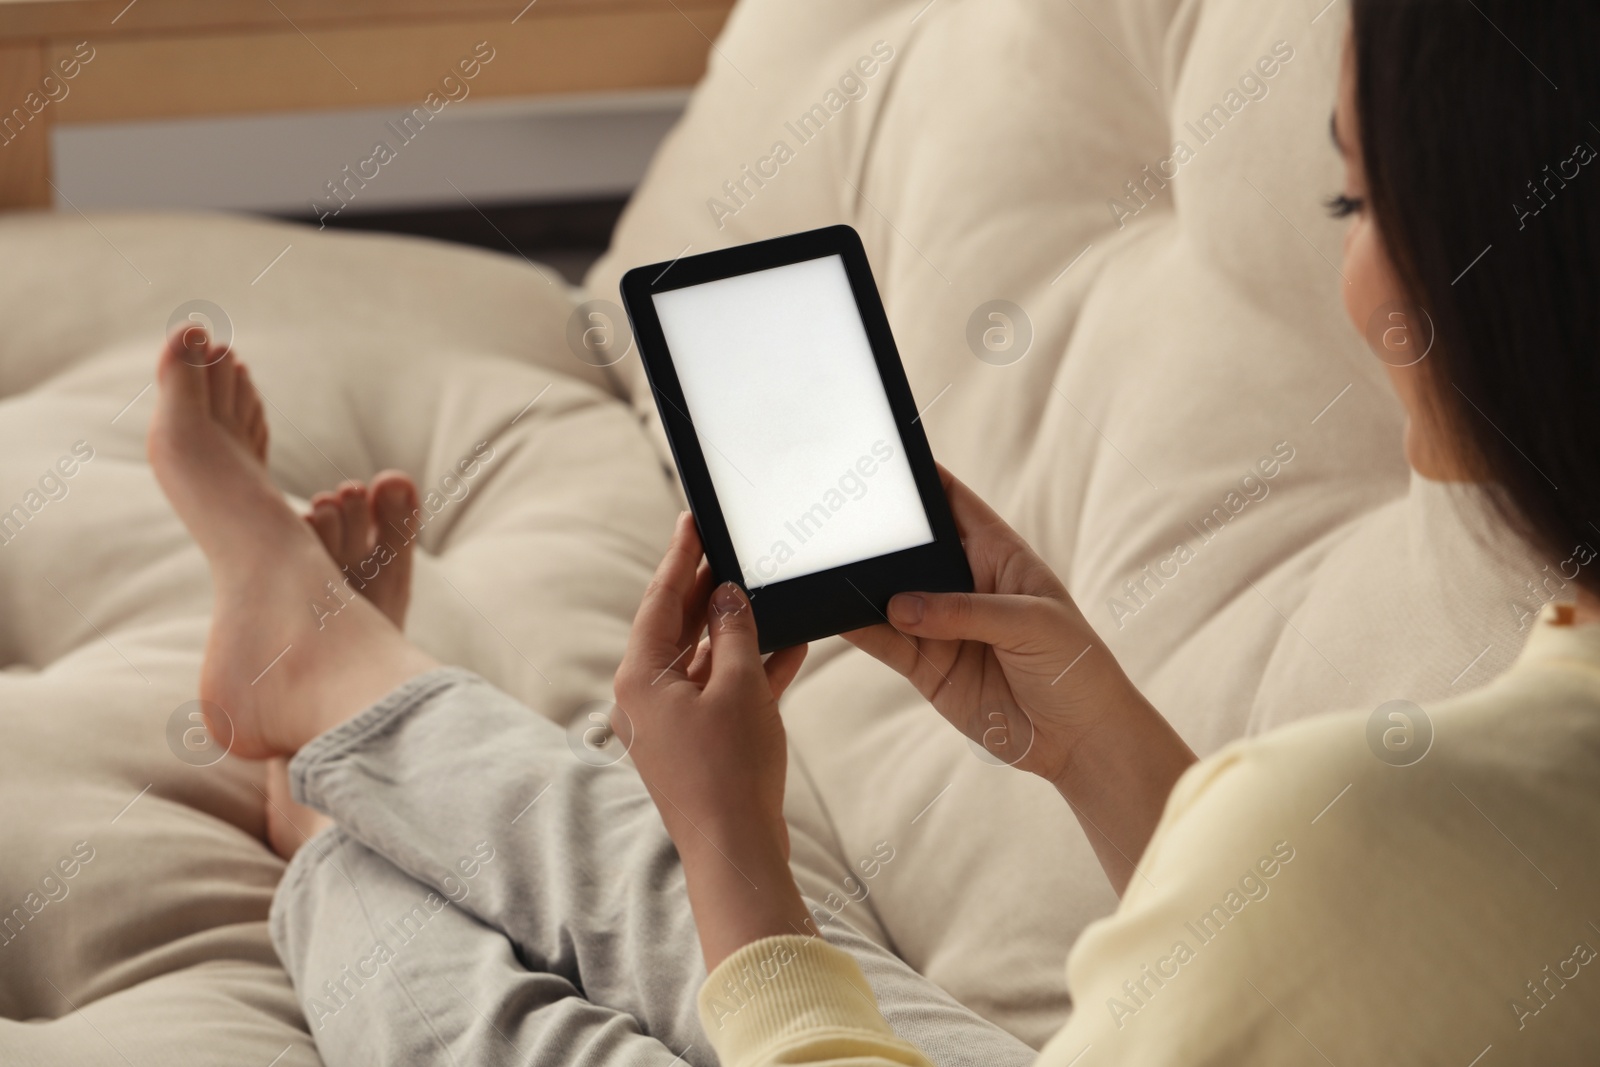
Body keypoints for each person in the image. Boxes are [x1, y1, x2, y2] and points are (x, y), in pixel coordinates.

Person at [145, 1, 1600, 1064]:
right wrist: (1087, 732)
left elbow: (1329, 926)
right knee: (645, 890)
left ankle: (332, 778)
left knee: (540, 1010)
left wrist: (736, 851)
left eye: (1357, 196)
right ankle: (341, 725)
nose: (1351, 277)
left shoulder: (1392, 833)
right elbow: (1322, 975)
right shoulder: (1478, 795)